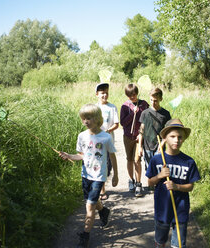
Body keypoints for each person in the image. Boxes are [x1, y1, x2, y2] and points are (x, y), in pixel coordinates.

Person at [59, 104, 119, 248]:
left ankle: (85, 236)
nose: (86, 121)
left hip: (99, 176)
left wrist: (116, 175)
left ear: (98, 119)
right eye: (83, 118)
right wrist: (69, 156)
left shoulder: (105, 137)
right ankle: (104, 211)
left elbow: (112, 157)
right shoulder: (82, 136)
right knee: (91, 201)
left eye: (89, 118)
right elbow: (81, 156)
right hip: (86, 175)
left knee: (89, 206)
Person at [146, 119, 201, 248]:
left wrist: (176, 186)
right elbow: (149, 182)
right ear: (165, 138)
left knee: (178, 245)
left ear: (184, 139)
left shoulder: (189, 162)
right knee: (160, 242)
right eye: (172, 137)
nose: (176, 140)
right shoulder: (157, 160)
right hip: (162, 209)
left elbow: (190, 186)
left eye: (180, 137)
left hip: (181, 210)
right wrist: (159, 176)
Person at [120, 83, 149, 197]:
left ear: (137, 93)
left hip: (139, 137)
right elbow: (123, 123)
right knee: (129, 160)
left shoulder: (144, 104)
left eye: (134, 94)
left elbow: (146, 121)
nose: (132, 97)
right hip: (128, 136)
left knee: (137, 160)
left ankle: (138, 183)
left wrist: (141, 134)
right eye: (130, 95)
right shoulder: (125, 106)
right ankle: (131, 180)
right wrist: (133, 113)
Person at [95, 82, 119, 200]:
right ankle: (102, 189)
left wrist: (108, 130)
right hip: (97, 140)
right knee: (100, 162)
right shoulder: (94, 108)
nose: (105, 95)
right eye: (102, 93)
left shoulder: (112, 107)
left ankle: (112, 176)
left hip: (108, 139)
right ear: (97, 94)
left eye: (106, 93)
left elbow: (116, 124)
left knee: (107, 164)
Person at [138, 87, 171, 172]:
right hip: (147, 146)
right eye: (151, 100)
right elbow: (141, 131)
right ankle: (151, 185)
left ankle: (158, 185)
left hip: (159, 146)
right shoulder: (145, 113)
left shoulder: (165, 114)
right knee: (149, 170)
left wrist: (163, 143)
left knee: (159, 169)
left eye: (155, 100)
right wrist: (139, 147)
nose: (153, 103)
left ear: (161, 99)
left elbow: (168, 132)